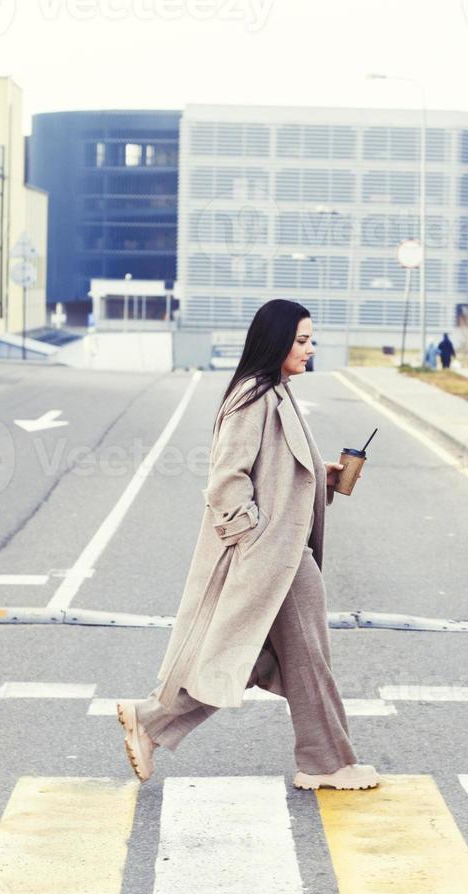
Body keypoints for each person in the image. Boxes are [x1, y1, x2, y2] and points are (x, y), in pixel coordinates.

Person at [115, 299, 378, 791]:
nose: (310, 348)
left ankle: (150, 721)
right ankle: (326, 762)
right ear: (275, 340)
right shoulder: (252, 396)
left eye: (310, 339)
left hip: (280, 550)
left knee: (262, 657)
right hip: (273, 554)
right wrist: (252, 538)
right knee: (307, 658)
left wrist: (318, 476)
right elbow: (227, 479)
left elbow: (273, 469)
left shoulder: (278, 392)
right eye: (302, 340)